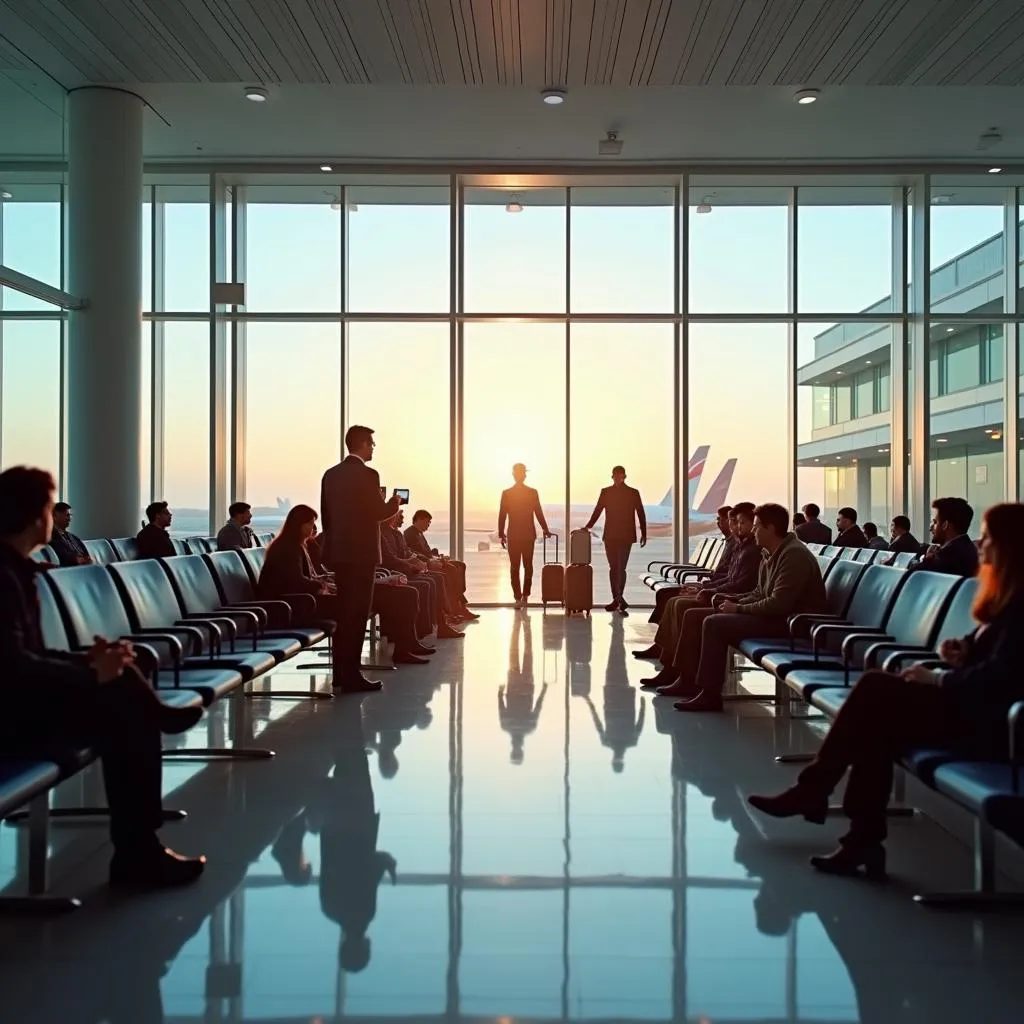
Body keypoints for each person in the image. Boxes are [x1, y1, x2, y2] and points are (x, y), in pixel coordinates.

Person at [747, 502, 1024, 881]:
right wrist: (961, 652)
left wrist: (938, 678)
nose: (981, 543)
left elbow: (1001, 680)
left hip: (999, 730)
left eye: (989, 538)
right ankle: (857, 838)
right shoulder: (1008, 599)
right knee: (876, 721)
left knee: (875, 693)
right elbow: (991, 659)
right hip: (976, 711)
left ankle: (822, 801)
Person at [0, 466, 205, 888]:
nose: (55, 516)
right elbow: (13, 667)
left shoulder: (14, 571)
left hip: (21, 699)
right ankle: (138, 852)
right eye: (47, 507)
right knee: (126, 711)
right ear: (33, 514)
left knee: (121, 687)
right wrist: (91, 670)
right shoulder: (5, 577)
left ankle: (139, 849)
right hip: (13, 714)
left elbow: (26, 658)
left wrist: (92, 663)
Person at [668, 503, 827, 712]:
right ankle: (687, 679)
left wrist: (738, 609)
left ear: (770, 529)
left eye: (757, 526)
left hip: (791, 623)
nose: (753, 530)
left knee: (714, 623)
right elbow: (759, 594)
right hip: (775, 617)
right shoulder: (770, 552)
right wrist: (732, 601)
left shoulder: (793, 555)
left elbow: (779, 604)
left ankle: (710, 693)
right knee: (696, 615)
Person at [637, 502, 761, 684]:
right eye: (735, 522)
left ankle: (682, 674)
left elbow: (742, 585)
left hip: (734, 600)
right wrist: (706, 588)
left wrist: (709, 590)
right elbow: (732, 579)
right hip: (727, 595)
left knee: (680, 604)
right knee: (674, 601)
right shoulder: (744, 547)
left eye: (740, 523)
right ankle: (669, 663)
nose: (736, 527)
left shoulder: (752, 550)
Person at [320, 425, 402, 693]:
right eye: (372, 443)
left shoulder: (330, 475)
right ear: (364, 444)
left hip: (339, 554)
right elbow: (377, 512)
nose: (374, 448)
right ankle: (352, 675)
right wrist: (394, 503)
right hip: (362, 555)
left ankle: (340, 674)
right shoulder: (368, 475)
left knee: (344, 615)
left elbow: (327, 516)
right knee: (357, 616)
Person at [380, 511, 463, 639]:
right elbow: (391, 559)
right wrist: (415, 563)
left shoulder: (396, 534)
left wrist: (419, 561)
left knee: (442, 575)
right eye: (398, 516)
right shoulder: (390, 534)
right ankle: (441, 620)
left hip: (408, 568)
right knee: (435, 579)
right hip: (398, 572)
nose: (401, 520)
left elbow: (408, 552)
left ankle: (445, 618)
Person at [649, 505, 734, 624]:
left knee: (667, 595)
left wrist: (705, 586)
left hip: (717, 590)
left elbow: (731, 579)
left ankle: (664, 637)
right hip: (713, 585)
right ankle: (664, 636)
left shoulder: (736, 547)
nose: (718, 523)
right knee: (664, 594)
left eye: (720, 519)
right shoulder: (730, 544)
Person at [583, 465, 647, 613]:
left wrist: (644, 533)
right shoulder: (606, 492)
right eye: (615, 476)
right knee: (614, 568)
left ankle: (618, 598)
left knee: (621, 568)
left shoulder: (633, 493)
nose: (617, 478)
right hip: (611, 536)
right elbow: (598, 510)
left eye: (620, 476)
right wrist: (588, 526)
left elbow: (641, 513)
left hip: (625, 536)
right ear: (612, 477)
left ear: (624, 476)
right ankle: (617, 598)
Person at [403, 509, 477, 620]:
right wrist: (431, 560)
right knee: (452, 569)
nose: (428, 526)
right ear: (420, 519)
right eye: (427, 522)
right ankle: (457, 606)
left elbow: (426, 552)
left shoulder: (418, 533)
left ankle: (459, 601)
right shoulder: (410, 533)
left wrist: (437, 556)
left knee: (460, 565)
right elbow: (415, 553)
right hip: (425, 564)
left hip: (431, 559)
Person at [498, 463, 552, 608]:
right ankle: (523, 596)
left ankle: (519, 597)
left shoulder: (508, 493)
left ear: (514, 475)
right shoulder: (531, 492)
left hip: (517, 535)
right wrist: (545, 529)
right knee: (525, 566)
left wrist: (501, 533)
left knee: (516, 567)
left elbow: (502, 515)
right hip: (524, 535)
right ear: (523, 475)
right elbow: (538, 512)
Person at [907, 497, 978, 578]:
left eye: (935, 522)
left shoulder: (946, 556)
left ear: (945, 525)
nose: (930, 528)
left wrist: (928, 559)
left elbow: (909, 577)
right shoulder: (970, 549)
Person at [49, 501, 92, 566]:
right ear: (55, 516)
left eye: (70, 515)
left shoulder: (74, 538)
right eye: (67, 515)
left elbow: (86, 555)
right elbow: (62, 557)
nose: (69, 519)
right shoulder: (50, 538)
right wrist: (78, 559)